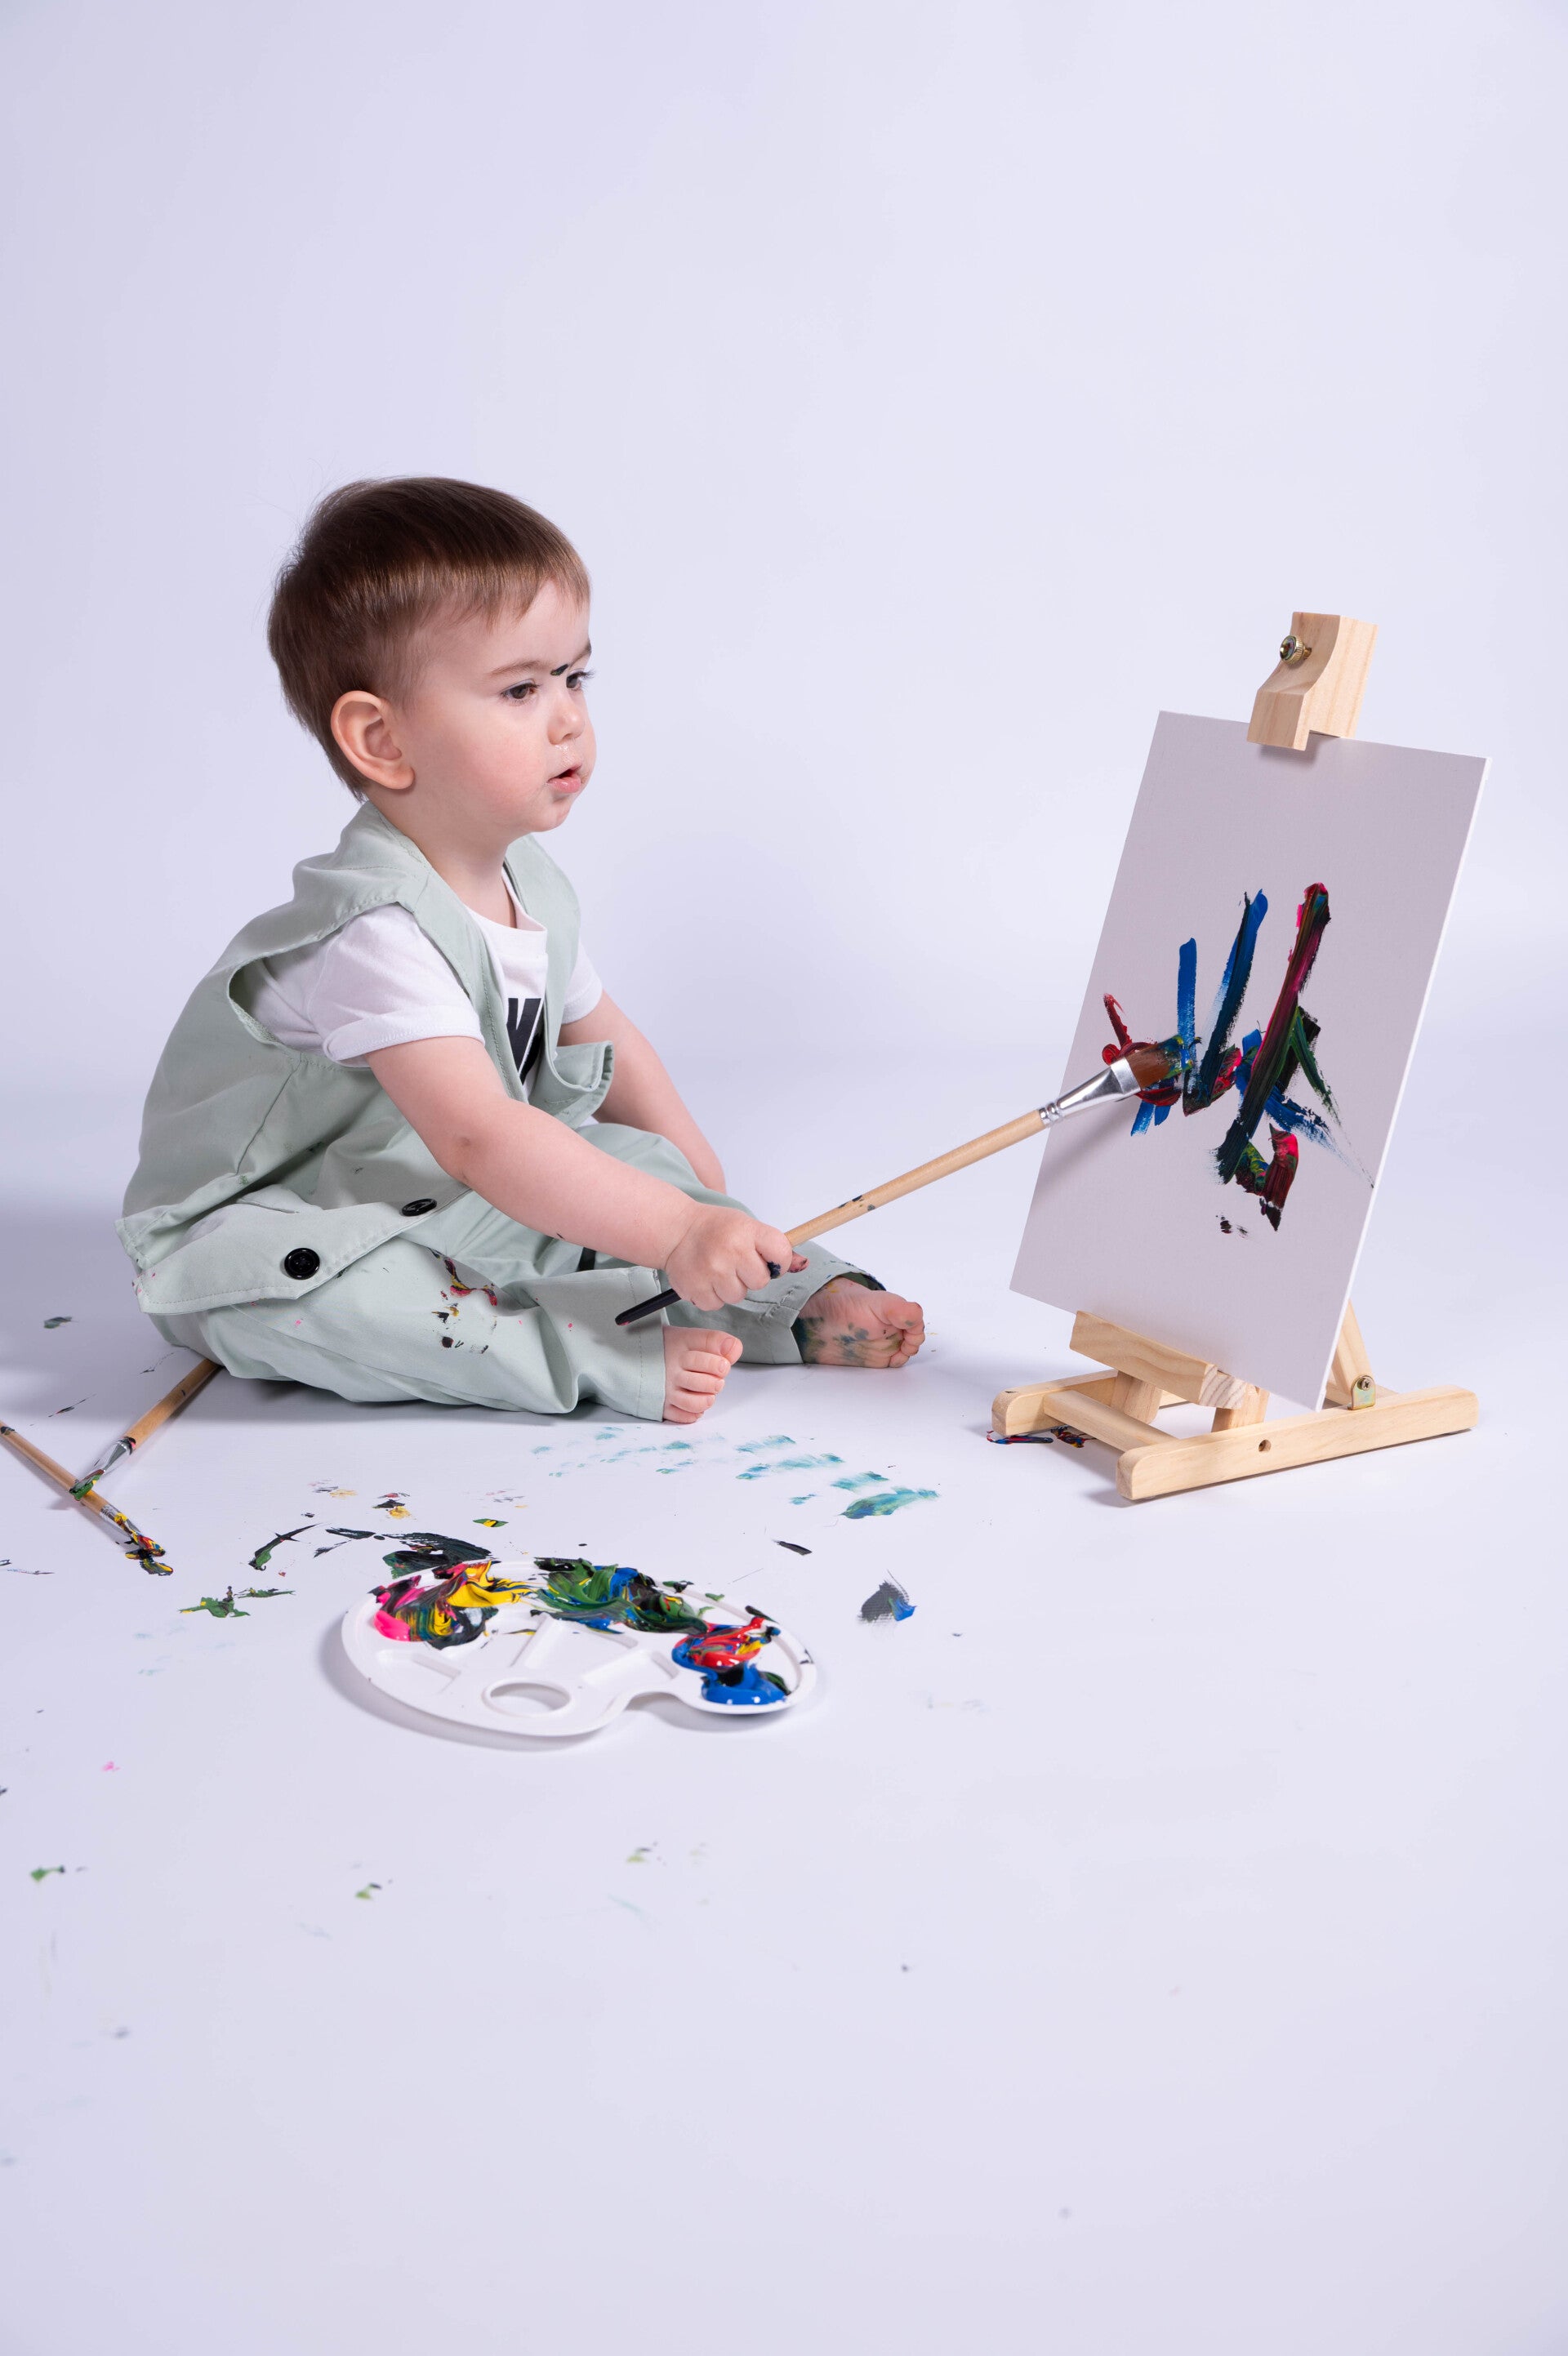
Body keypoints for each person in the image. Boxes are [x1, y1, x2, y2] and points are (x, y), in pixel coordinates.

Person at [120, 479, 924, 1423]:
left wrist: (700, 1196)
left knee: (627, 1162)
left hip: (428, 1183)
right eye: (521, 689)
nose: (568, 717)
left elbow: (604, 1033)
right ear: (382, 738)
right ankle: (590, 1351)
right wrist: (673, 1226)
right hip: (286, 1220)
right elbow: (480, 1136)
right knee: (337, 1301)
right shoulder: (376, 931)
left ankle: (787, 1296)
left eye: (575, 677)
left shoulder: (528, 882)